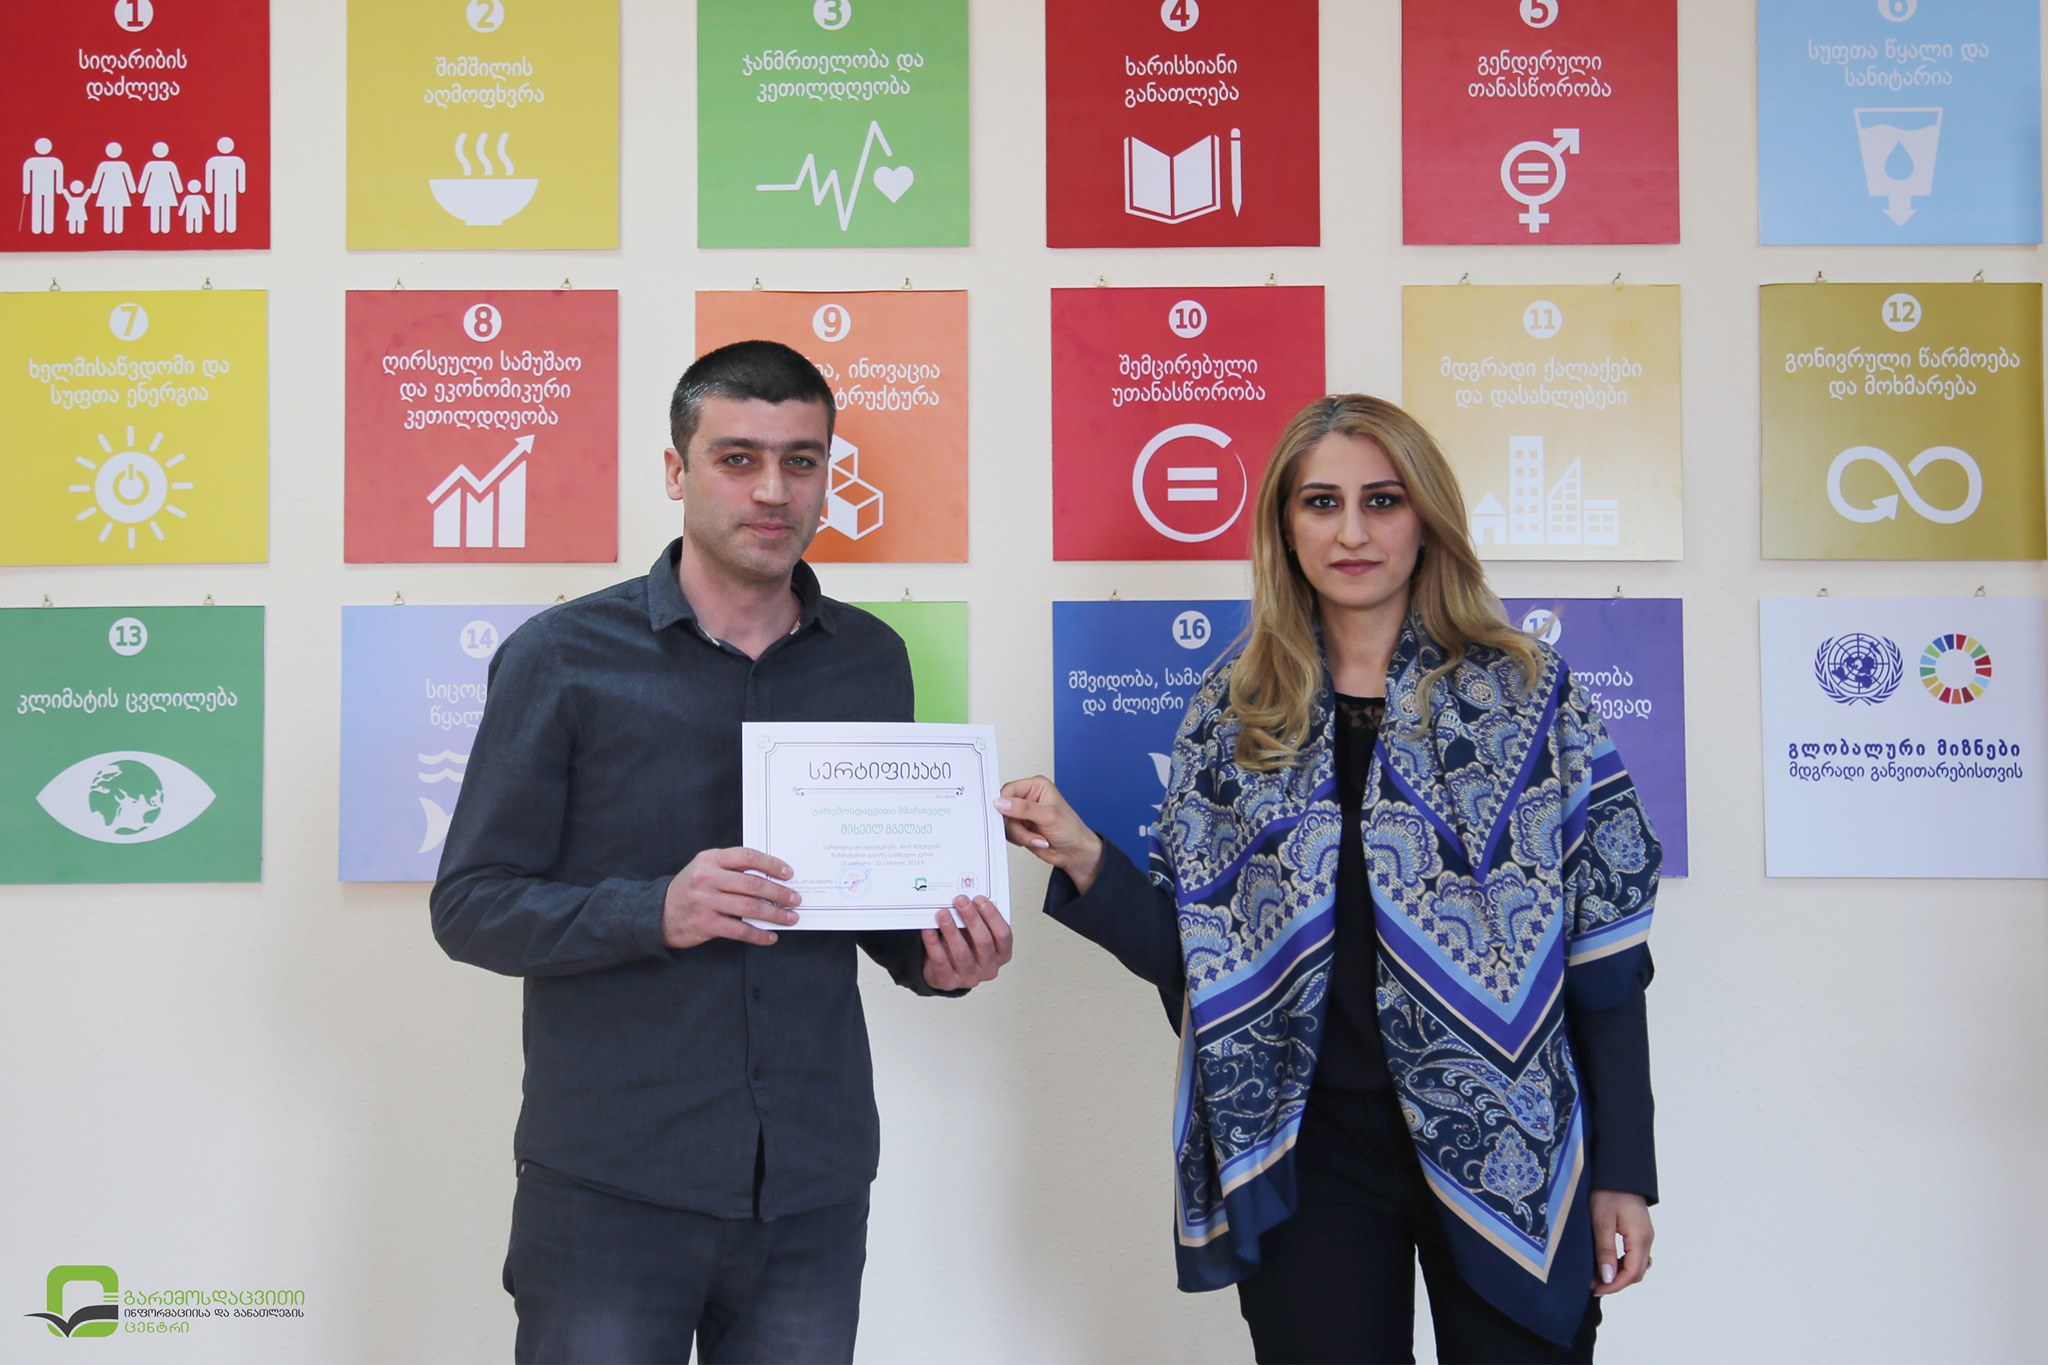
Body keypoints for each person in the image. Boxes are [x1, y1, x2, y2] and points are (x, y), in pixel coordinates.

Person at [999, 394, 1658, 1364]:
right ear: (1284, 526)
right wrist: (1086, 859)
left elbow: (1604, 955)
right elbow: (1203, 970)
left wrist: (1623, 1169)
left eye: (1381, 500)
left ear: (1425, 517)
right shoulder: (1232, 713)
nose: (1351, 532)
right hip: (1305, 1149)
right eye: (1321, 503)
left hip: (1509, 1141)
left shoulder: (1527, 697)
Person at [431, 339, 1013, 1365]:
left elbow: (868, 903)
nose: (772, 490)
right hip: (612, 1184)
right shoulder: (561, 658)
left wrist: (942, 958)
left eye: (800, 461)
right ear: (677, 470)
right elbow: (471, 904)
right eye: (737, 458)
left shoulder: (870, 661)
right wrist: (656, 909)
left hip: (809, 1187)